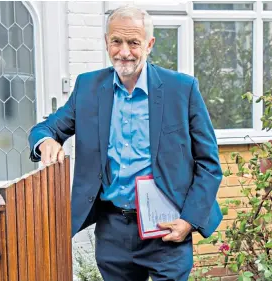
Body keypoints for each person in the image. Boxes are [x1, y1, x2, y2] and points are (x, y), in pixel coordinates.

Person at [29, 5, 223, 281]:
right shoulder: (88, 88)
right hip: (113, 230)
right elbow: (45, 128)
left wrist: (188, 221)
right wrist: (46, 141)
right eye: (116, 42)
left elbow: (209, 164)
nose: (124, 52)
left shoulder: (181, 89)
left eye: (134, 42)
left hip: (166, 228)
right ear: (106, 42)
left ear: (149, 44)